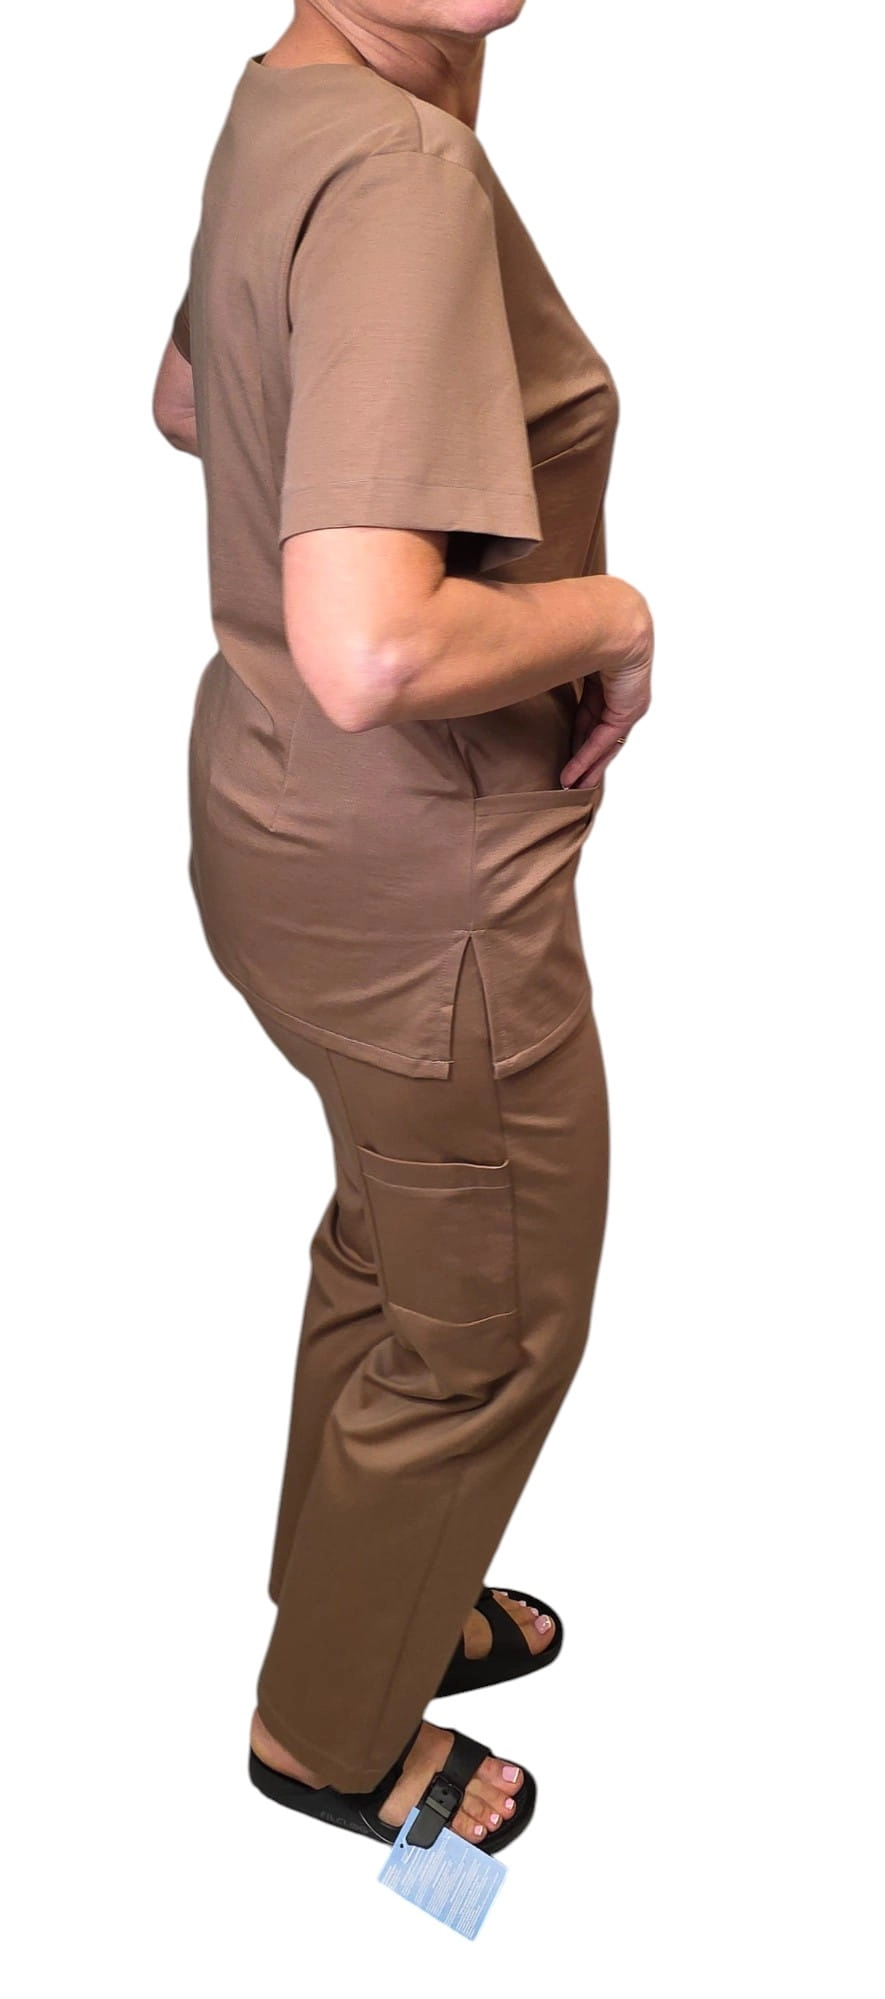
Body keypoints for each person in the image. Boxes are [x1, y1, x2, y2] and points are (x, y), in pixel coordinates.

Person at [152, 0, 653, 1858]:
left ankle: (374, 1593)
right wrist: (615, 615)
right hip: (423, 895)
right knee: (494, 1326)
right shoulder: (400, 172)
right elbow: (371, 648)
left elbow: (188, 398)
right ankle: (332, 1735)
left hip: (282, 835)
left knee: (397, 1234)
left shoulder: (284, 107)